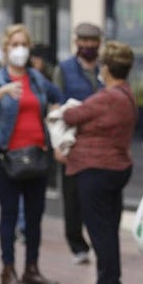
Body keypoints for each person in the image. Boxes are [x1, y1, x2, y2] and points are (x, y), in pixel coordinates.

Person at [0, 23, 62, 284]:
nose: (20, 50)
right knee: (10, 214)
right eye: (14, 45)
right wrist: (4, 91)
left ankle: (32, 268)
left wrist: (56, 112)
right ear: (5, 49)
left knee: (35, 216)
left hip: (37, 155)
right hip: (7, 158)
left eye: (24, 45)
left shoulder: (36, 78)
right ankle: (7, 270)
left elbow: (56, 96)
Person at [60, 41, 138, 284]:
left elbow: (72, 116)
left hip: (96, 168)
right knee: (109, 228)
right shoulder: (127, 95)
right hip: (117, 166)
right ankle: (111, 281)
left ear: (106, 69)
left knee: (99, 229)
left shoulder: (108, 97)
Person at [52, 22, 103, 265]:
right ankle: (77, 245)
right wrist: (57, 144)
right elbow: (55, 108)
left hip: (100, 142)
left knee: (97, 195)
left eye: (93, 42)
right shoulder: (64, 70)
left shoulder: (105, 70)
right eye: (84, 41)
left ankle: (99, 241)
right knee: (72, 197)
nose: (89, 46)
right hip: (72, 141)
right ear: (77, 43)